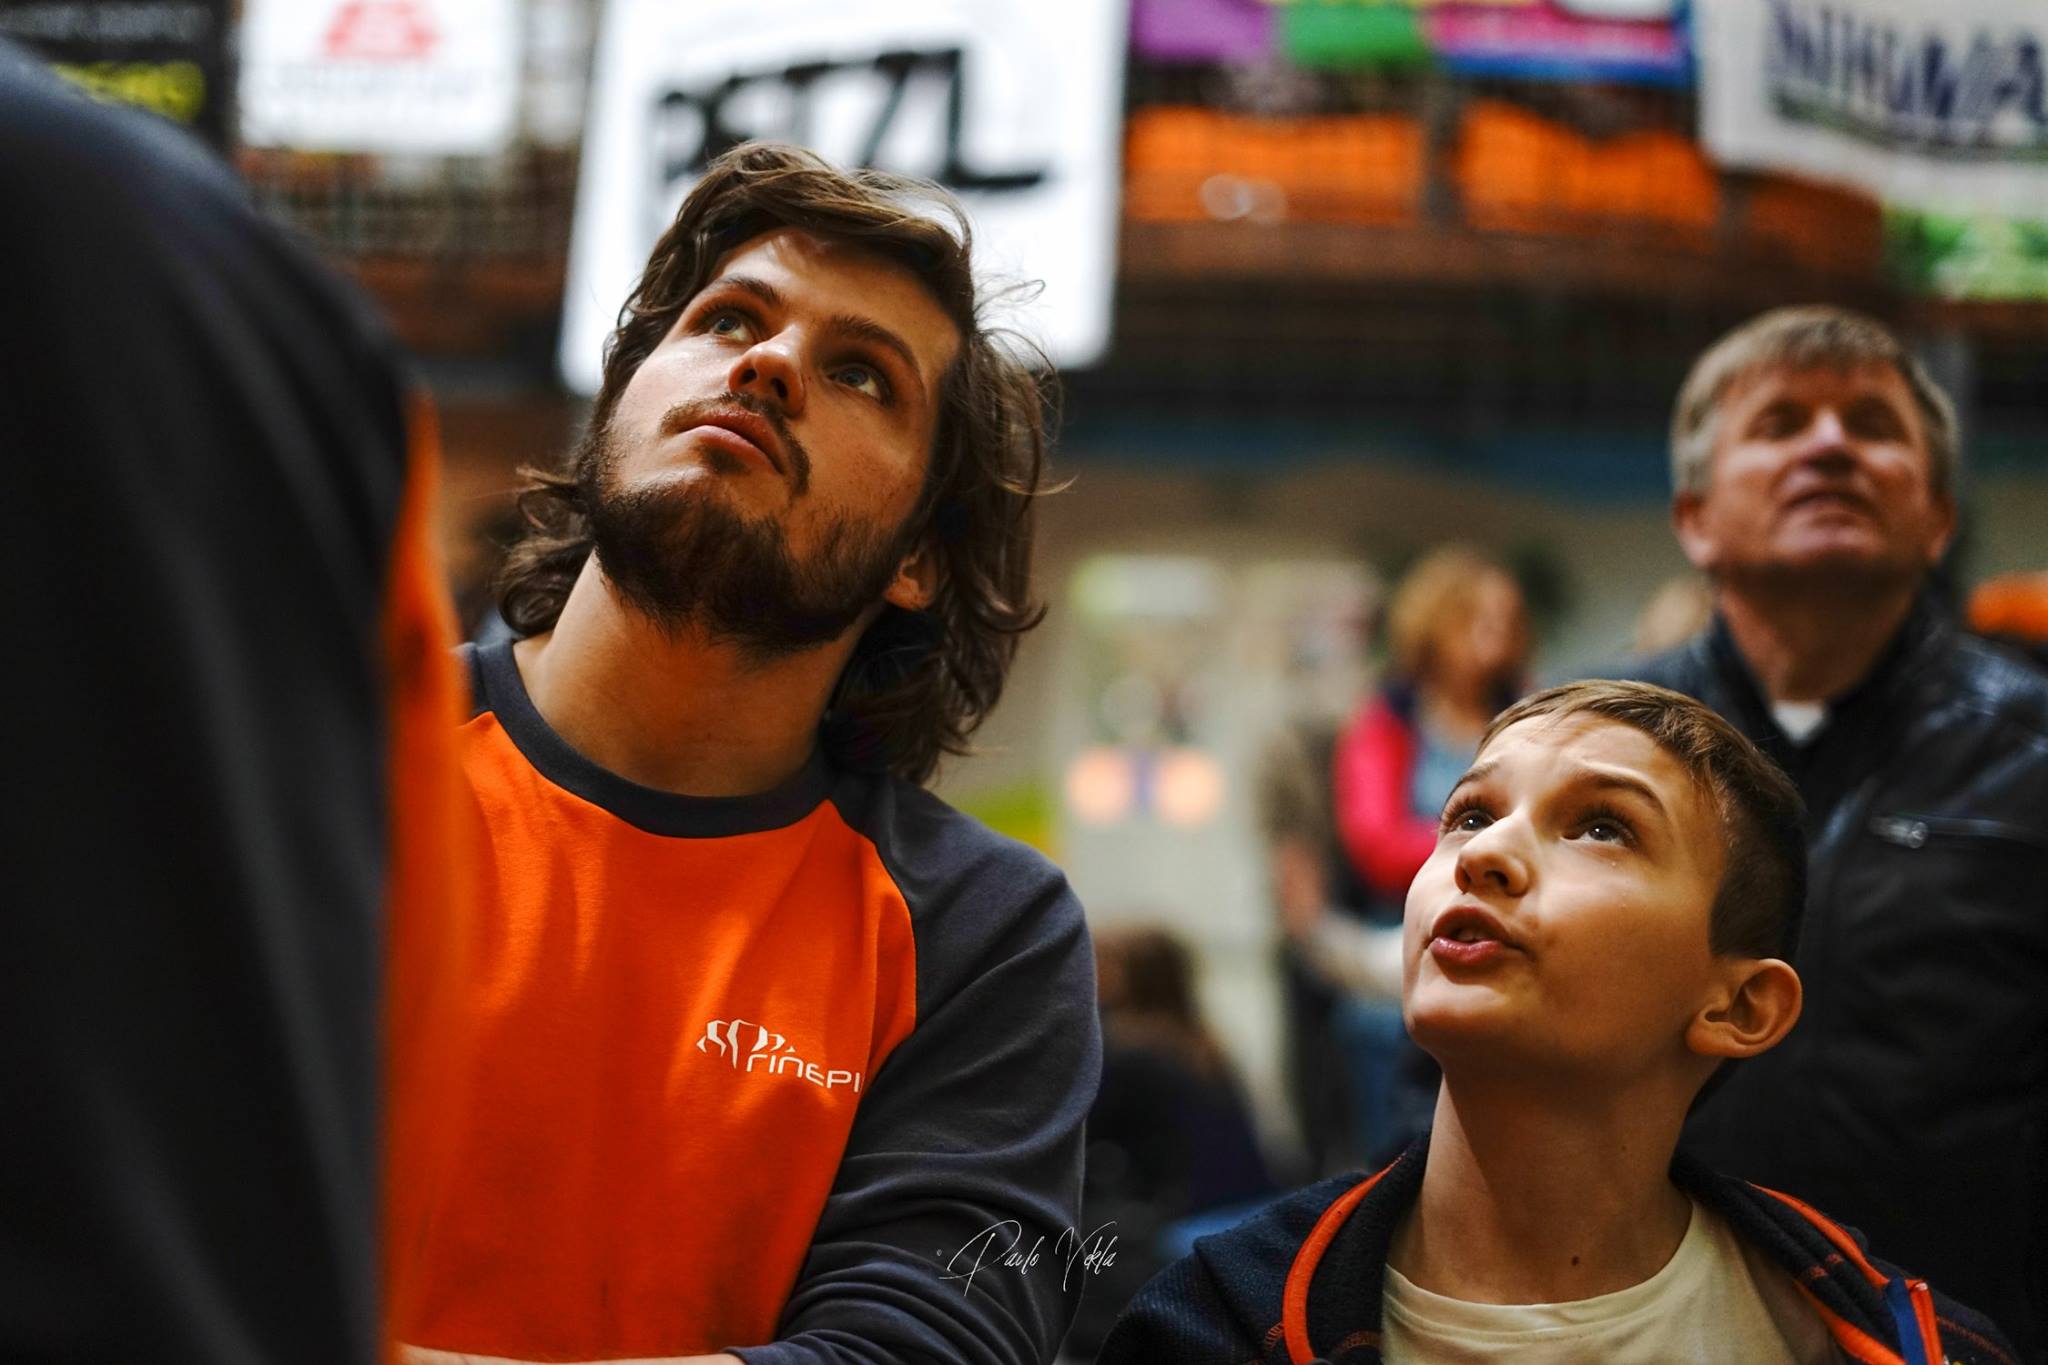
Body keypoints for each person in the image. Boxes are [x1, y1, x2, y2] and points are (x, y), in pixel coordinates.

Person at [386, 144, 1100, 1364]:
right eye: (729, 318)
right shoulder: (321, 758)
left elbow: (927, 1350)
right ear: (620, 404)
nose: (768, 366)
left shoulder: (983, 932)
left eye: (862, 375)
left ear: (917, 559)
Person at [1099, 680, 2020, 1365]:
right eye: (1467, 814)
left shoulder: (1902, 1340)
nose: (1488, 853)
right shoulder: (1210, 1323)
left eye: (1602, 828)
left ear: (1737, 1005)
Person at [0, 44, 467, 1365]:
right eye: (723, 317)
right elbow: (386, 1118)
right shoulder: (259, 307)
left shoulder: (959, 921)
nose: (763, 367)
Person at [1624, 305, 2048, 1359]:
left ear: (1937, 515)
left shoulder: (2035, 746)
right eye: (1779, 422)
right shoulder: (1585, 756)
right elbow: (1465, 1063)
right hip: (1642, 1331)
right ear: (1693, 517)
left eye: (1870, 423)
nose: (1827, 444)